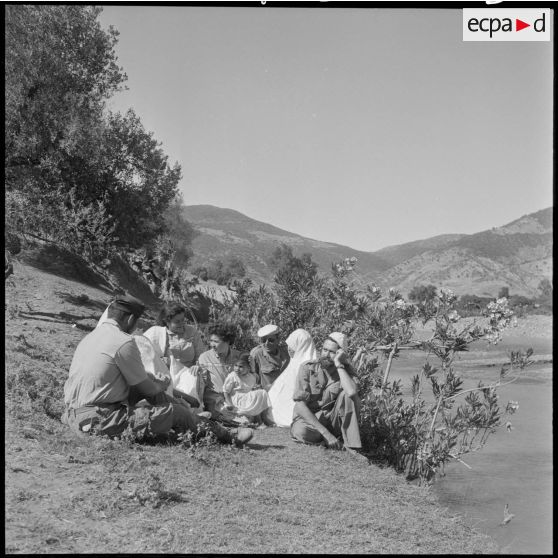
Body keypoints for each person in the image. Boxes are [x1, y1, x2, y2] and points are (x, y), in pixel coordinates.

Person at [61, 295, 252, 446]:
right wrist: (161, 386)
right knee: (174, 411)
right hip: (101, 419)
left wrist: (157, 387)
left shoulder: (91, 338)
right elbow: (149, 390)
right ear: (129, 319)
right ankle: (225, 434)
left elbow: (136, 383)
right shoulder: (123, 341)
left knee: (161, 399)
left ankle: (191, 418)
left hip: (74, 414)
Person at [290, 332, 362, 452]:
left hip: (332, 421)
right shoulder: (307, 368)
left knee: (347, 395)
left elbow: (351, 392)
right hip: (311, 421)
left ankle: (351, 445)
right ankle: (329, 440)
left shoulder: (345, 371)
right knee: (300, 431)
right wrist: (326, 433)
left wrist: (339, 364)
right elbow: (300, 404)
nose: (326, 354)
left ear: (340, 354)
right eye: (324, 349)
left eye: (332, 352)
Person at [143, 302, 206, 408]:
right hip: (167, 374)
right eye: (177, 321)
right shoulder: (158, 334)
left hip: (189, 372)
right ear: (167, 321)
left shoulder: (191, 331)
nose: (182, 324)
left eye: (183, 320)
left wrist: (197, 365)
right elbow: (146, 353)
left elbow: (201, 354)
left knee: (193, 380)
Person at [267, 329, 317, 427]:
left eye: (293, 346)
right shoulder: (295, 362)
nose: (289, 349)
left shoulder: (306, 366)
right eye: (289, 346)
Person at [198, 323, 241, 419]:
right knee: (230, 415)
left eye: (216, 341)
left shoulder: (239, 356)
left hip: (235, 396)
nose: (212, 345)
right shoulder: (205, 358)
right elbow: (202, 384)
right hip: (215, 398)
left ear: (227, 341)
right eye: (211, 341)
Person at [223, 353, 273, 426]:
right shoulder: (232, 376)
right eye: (236, 365)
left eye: (241, 367)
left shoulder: (251, 376)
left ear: (248, 368)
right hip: (237, 399)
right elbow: (226, 391)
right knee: (245, 420)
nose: (237, 368)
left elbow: (255, 382)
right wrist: (229, 403)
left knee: (262, 392)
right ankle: (256, 419)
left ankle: (263, 417)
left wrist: (252, 369)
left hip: (247, 398)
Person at [249, 324, 290, 390]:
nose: (266, 343)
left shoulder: (286, 353)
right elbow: (250, 378)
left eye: (271, 340)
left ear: (278, 339)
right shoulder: (256, 354)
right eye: (263, 340)